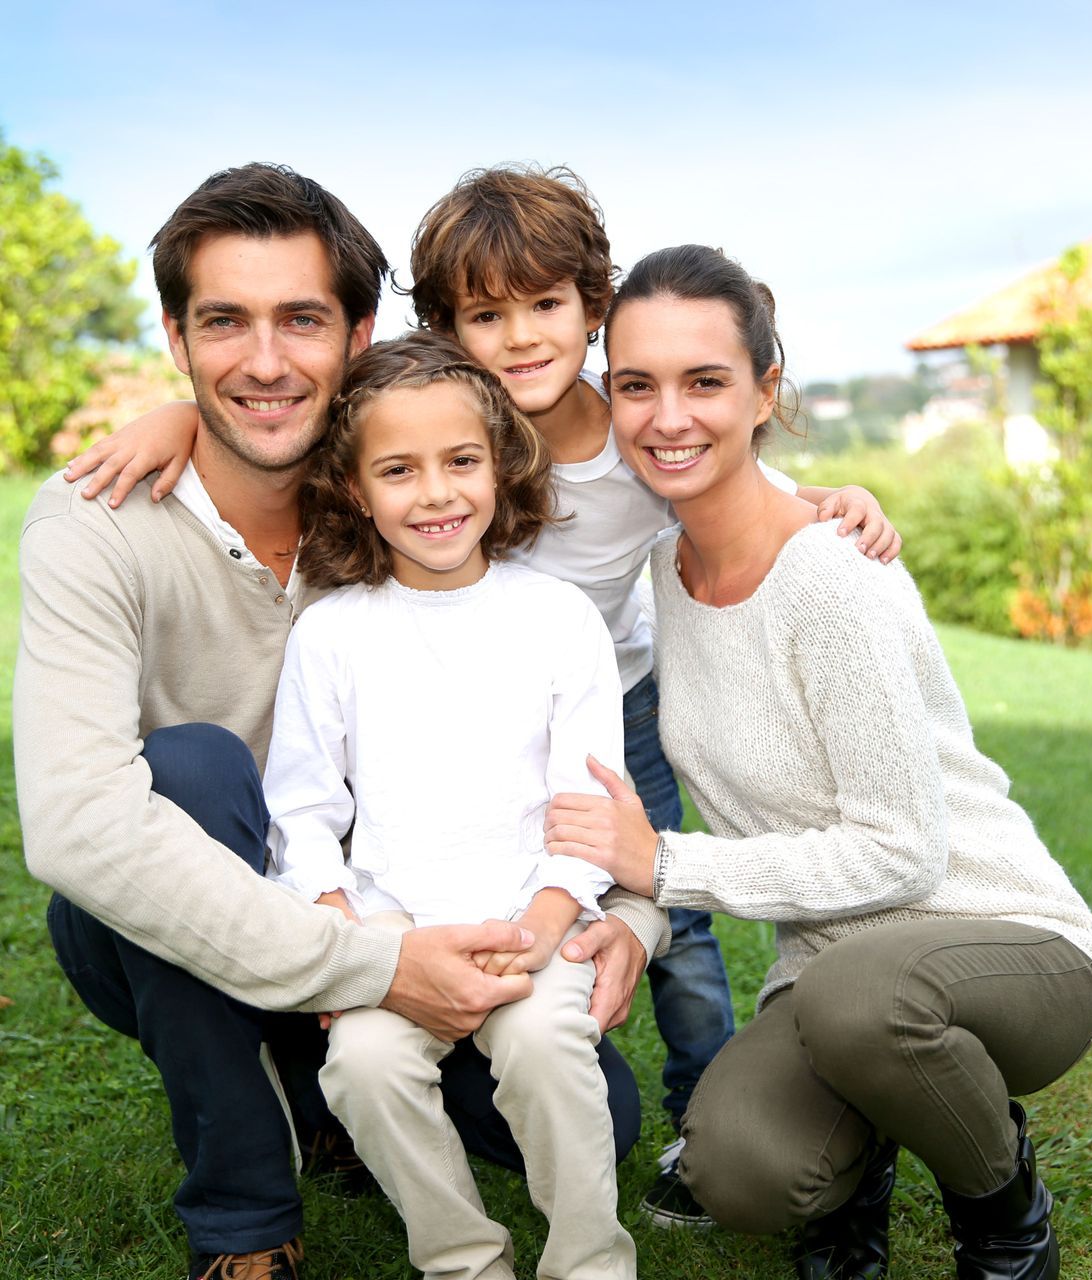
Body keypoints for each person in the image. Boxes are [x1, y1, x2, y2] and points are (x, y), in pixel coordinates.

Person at [68, 162, 903, 1229]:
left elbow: (731, 468)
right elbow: (281, 410)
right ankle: (377, 1084)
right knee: (426, 890)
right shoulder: (427, 425)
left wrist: (832, 497)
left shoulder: (635, 442)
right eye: (485, 315)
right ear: (445, 330)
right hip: (451, 723)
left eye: (545, 307)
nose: (517, 338)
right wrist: (169, 421)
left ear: (591, 313)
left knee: (673, 922)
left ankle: (701, 1112)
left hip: (614, 707)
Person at [15, 163, 665, 1280]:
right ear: (176, 335)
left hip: (436, 909)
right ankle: (248, 1221)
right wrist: (366, 964)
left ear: (358, 336)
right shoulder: (100, 515)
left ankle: (329, 1101)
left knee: (586, 1107)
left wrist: (630, 919)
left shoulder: (391, 502)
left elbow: (581, 756)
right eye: (224, 322)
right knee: (194, 770)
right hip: (207, 923)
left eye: (301, 321)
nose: (264, 361)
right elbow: (79, 826)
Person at [543, 244, 1092, 1280]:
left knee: (865, 1002)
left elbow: (901, 851)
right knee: (736, 1167)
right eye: (637, 385)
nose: (667, 415)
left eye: (703, 381)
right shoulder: (662, 574)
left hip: (1007, 945)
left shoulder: (831, 574)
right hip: (830, 976)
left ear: (764, 390)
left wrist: (664, 864)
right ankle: (876, 1134)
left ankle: (1001, 1208)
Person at [264, 330, 636, 1279]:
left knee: (551, 1044)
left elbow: (587, 802)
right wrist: (342, 928)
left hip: (531, 917)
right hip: (393, 936)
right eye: (399, 469)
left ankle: (590, 1261)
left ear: (502, 467)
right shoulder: (332, 633)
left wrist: (550, 917)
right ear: (355, 488)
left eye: (461, 461)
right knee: (363, 1068)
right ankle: (463, 1260)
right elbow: (302, 809)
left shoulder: (556, 618)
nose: (435, 494)